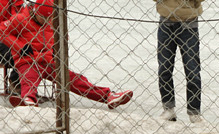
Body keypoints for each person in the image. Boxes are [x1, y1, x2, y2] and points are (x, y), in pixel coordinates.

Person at [0, 0, 133, 108]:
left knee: (74, 79)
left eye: (49, 17)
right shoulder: (20, 19)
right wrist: (20, 47)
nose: (46, 21)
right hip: (28, 61)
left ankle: (108, 96)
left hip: (48, 61)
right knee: (29, 78)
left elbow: (63, 37)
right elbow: (2, 31)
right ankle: (28, 99)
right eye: (44, 18)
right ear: (36, 12)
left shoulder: (53, 20)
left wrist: (56, 46)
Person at [155, 0, 203, 123]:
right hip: (166, 20)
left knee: (192, 70)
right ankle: (168, 109)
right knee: (164, 68)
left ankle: (194, 112)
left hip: (189, 22)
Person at [0, 0, 23, 95]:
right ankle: (17, 84)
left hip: (13, 36)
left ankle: (19, 83)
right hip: (3, 36)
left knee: (30, 49)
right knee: (17, 53)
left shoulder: (18, 3)